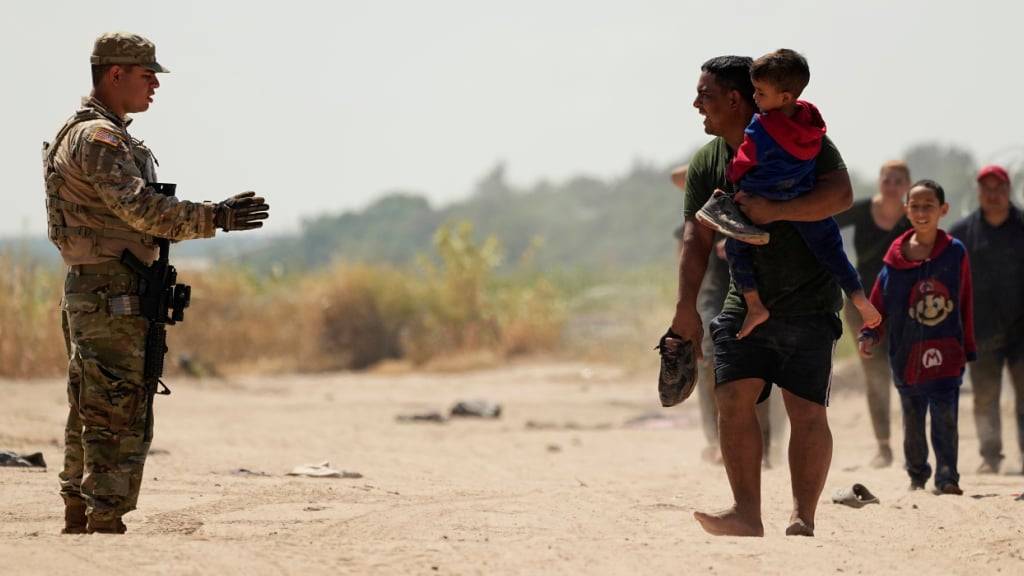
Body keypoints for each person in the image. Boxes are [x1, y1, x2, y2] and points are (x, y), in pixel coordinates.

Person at [46, 32, 270, 534]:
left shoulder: (95, 133)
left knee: (93, 399)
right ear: (115, 74)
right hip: (109, 292)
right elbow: (140, 209)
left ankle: (82, 507)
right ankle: (103, 514)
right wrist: (216, 217)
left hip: (101, 287)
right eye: (146, 75)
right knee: (117, 403)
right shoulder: (98, 138)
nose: (155, 85)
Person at [668, 55, 853, 537]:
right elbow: (696, 239)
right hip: (744, 296)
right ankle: (746, 513)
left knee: (805, 408)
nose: (696, 105)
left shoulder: (800, 136)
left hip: (809, 296)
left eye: (705, 95)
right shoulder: (708, 161)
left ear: (734, 99)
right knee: (732, 395)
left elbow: (841, 195)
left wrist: (777, 210)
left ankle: (802, 515)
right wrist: (685, 310)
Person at [695, 49, 879, 340]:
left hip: (762, 195)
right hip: (803, 192)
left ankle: (754, 305)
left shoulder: (760, 127)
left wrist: (734, 176)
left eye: (760, 92)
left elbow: (746, 159)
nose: (755, 98)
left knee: (734, 246)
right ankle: (859, 297)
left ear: (783, 97)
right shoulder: (811, 122)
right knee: (832, 251)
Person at [859, 180, 975, 494]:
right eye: (916, 206)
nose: (922, 212)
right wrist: (870, 332)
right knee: (912, 417)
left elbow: (965, 301)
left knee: (945, 416)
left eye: (929, 206)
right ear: (906, 210)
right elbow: (878, 301)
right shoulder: (895, 257)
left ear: (943, 210)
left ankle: (947, 476)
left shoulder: (955, 253)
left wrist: (968, 346)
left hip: (947, 352)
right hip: (905, 353)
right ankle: (917, 475)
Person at [671, 165, 775, 467]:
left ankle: (763, 446)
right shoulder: (698, 217)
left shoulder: (751, 202)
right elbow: (677, 176)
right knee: (707, 363)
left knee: (759, 368)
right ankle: (717, 441)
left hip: (756, 293)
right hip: (712, 296)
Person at [834, 161, 912, 468]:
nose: (891, 185)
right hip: (862, 303)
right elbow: (822, 225)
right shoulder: (862, 210)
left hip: (904, 306)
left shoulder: (913, 216)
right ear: (880, 182)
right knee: (875, 374)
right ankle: (883, 447)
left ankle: (914, 445)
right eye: (887, 179)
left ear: (907, 185)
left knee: (908, 373)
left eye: (898, 180)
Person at [950, 165, 1024, 474]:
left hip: (1022, 330)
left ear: (1009, 191)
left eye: (999, 189)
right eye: (987, 189)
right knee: (984, 396)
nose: (993, 195)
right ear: (978, 193)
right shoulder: (961, 233)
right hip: (980, 329)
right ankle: (990, 457)